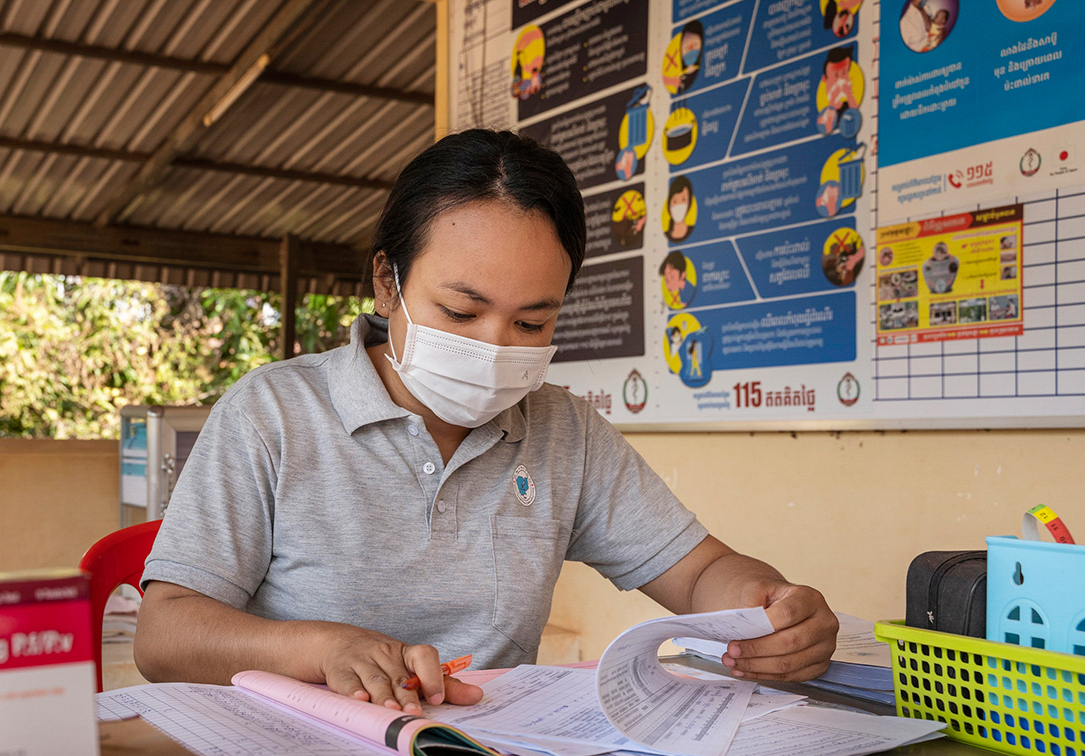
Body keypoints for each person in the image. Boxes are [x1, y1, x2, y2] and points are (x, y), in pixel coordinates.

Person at [134, 129, 838, 717]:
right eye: (461, 312)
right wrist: (319, 648)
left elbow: (700, 572)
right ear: (387, 283)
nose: (495, 347)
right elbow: (164, 634)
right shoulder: (273, 414)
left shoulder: (564, 433)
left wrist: (767, 610)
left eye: (531, 323)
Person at [665, 176, 695, 242]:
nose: (678, 204)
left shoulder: (692, 230)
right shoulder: (666, 233)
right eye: (674, 201)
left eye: (683, 200)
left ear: (689, 203)